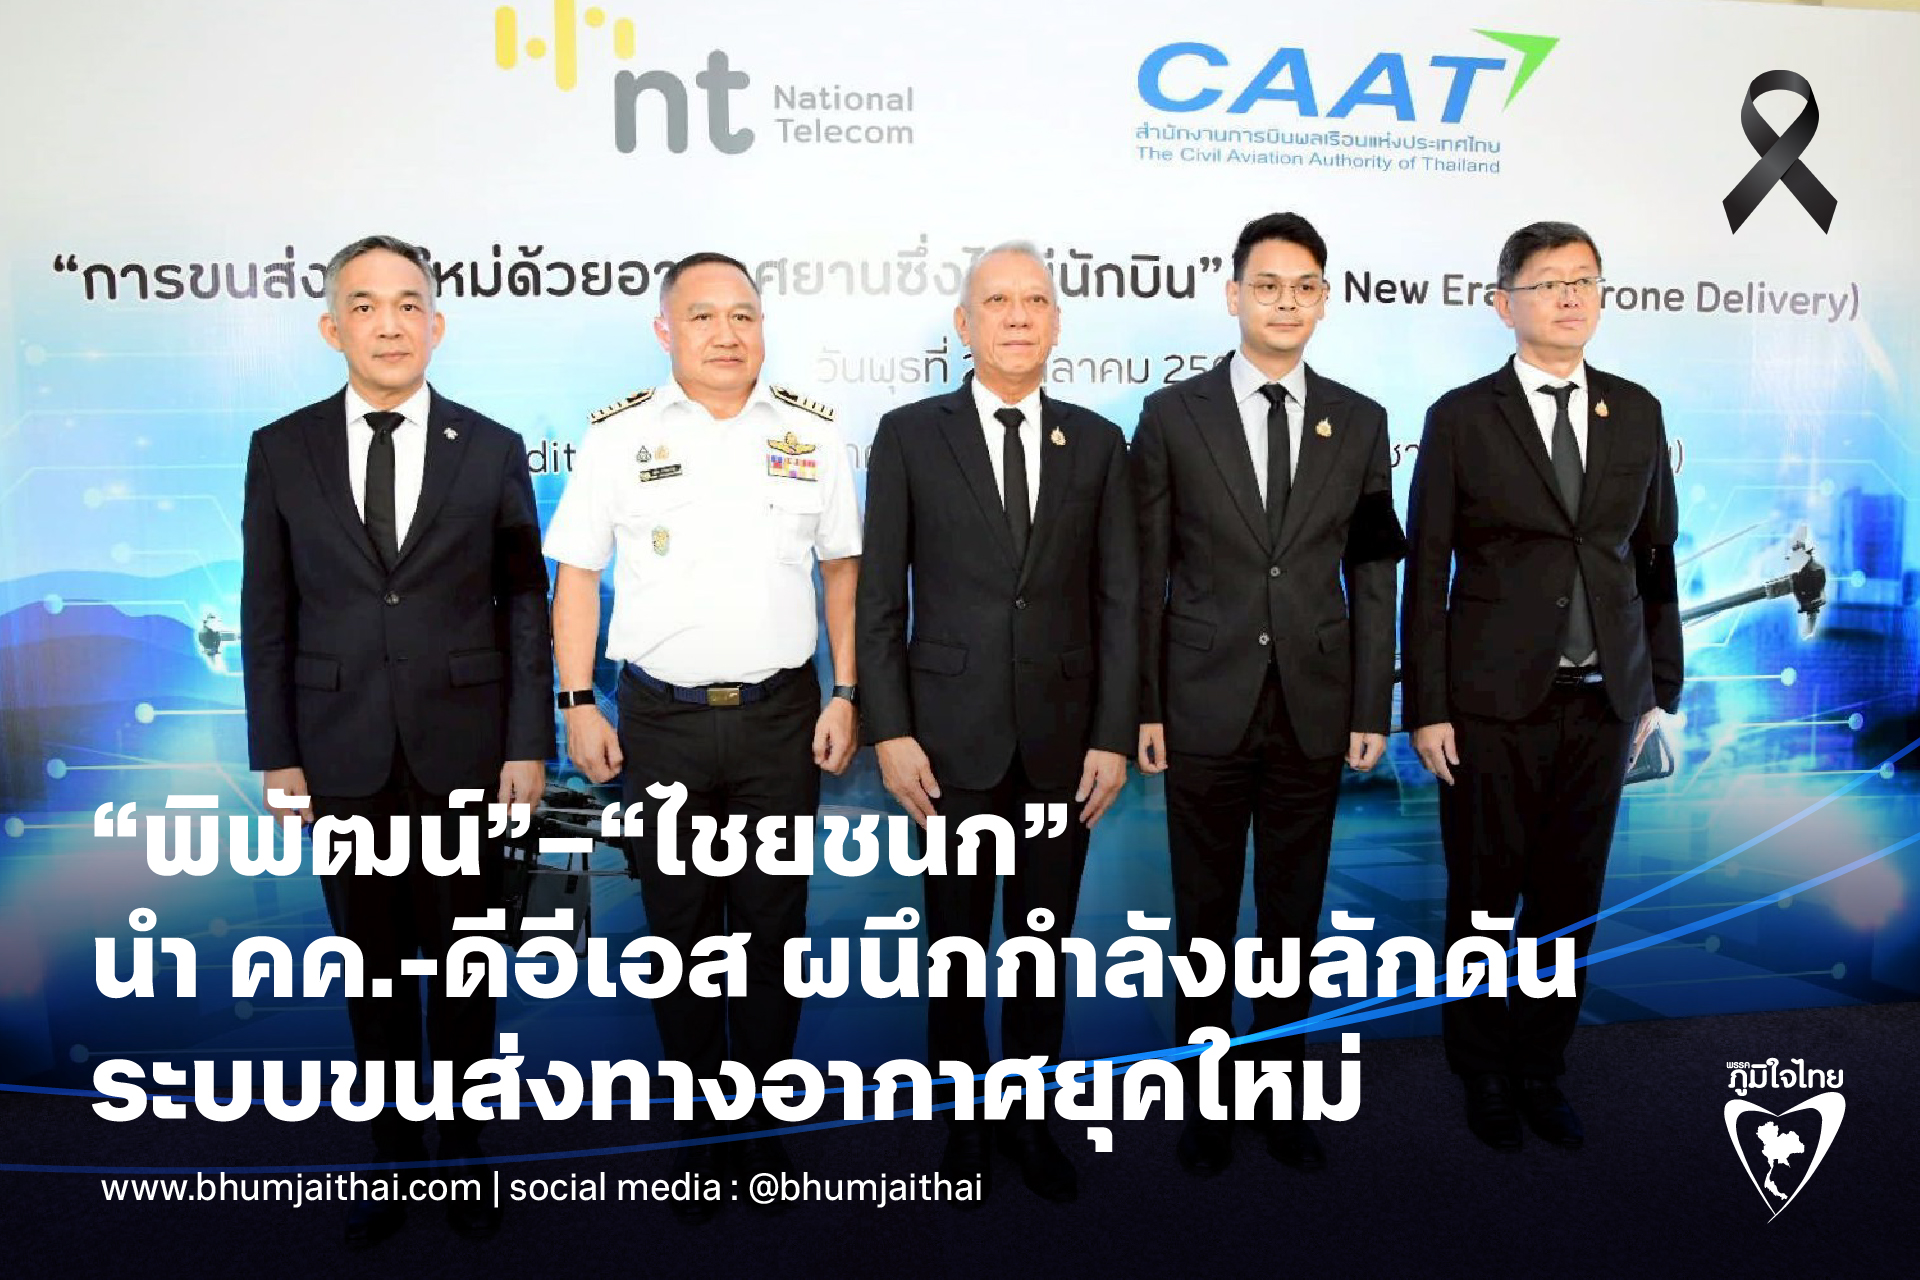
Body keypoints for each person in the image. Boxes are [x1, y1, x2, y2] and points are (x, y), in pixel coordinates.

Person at [241, 234, 552, 1246]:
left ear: (437, 324)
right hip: (338, 754)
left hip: (468, 753)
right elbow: (266, 613)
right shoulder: (280, 448)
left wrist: (527, 742)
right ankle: (394, 1155)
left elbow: (523, 606)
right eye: (366, 306)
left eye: (409, 304)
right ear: (333, 327)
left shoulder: (491, 446)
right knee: (372, 970)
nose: (389, 323)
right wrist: (277, 752)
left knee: (467, 966)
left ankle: (463, 1151)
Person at [543, 251, 861, 1223]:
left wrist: (848, 691)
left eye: (744, 316)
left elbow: (842, 572)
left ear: (763, 327)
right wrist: (577, 702)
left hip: (780, 721)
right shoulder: (618, 438)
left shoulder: (813, 433)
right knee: (679, 934)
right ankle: (699, 1126)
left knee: (770, 932)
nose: (728, 334)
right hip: (662, 725)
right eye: (704, 316)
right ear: (665, 330)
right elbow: (577, 576)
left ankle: (760, 1121)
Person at [857, 242, 1137, 1204]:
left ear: (1056, 321)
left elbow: (1120, 601)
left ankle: (1029, 1116)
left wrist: (1113, 733)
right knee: (957, 944)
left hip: (1065, 745)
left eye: (1035, 301)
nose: (1018, 316)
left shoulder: (1098, 442)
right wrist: (889, 729)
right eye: (998, 301)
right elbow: (880, 601)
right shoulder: (908, 435)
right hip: (946, 744)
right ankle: (964, 1118)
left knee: (1040, 946)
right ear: (964, 323)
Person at [1402, 221, 1682, 1152]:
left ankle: (1540, 1064)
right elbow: (1426, 572)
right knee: (1484, 901)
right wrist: (1427, 707)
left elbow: (1655, 558)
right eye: (1549, 281)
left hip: (1605, 703)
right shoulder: (1461, 416)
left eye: (1585, 280)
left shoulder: (1636, 410)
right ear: (1503, 304)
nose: (1570, 296)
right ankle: (1483, 1068)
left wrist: (1660, 691)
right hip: (1489, 704)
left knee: (1567, 901)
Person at [1132, 212, 1402, 1177]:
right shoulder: (1173, 416)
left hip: (1315, 706)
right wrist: (1144, 705)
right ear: (1234, 294)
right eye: (1268, 284)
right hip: (1200, 702)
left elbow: (1374, 573)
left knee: (1293, 916)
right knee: (1203, 914)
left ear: (1324, 300)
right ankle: (1207, 1098)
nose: (1286, 302)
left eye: (1304, 286)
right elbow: (1144, 574)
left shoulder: (1361, 420)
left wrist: (1371, 706)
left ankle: (1282, 1091)